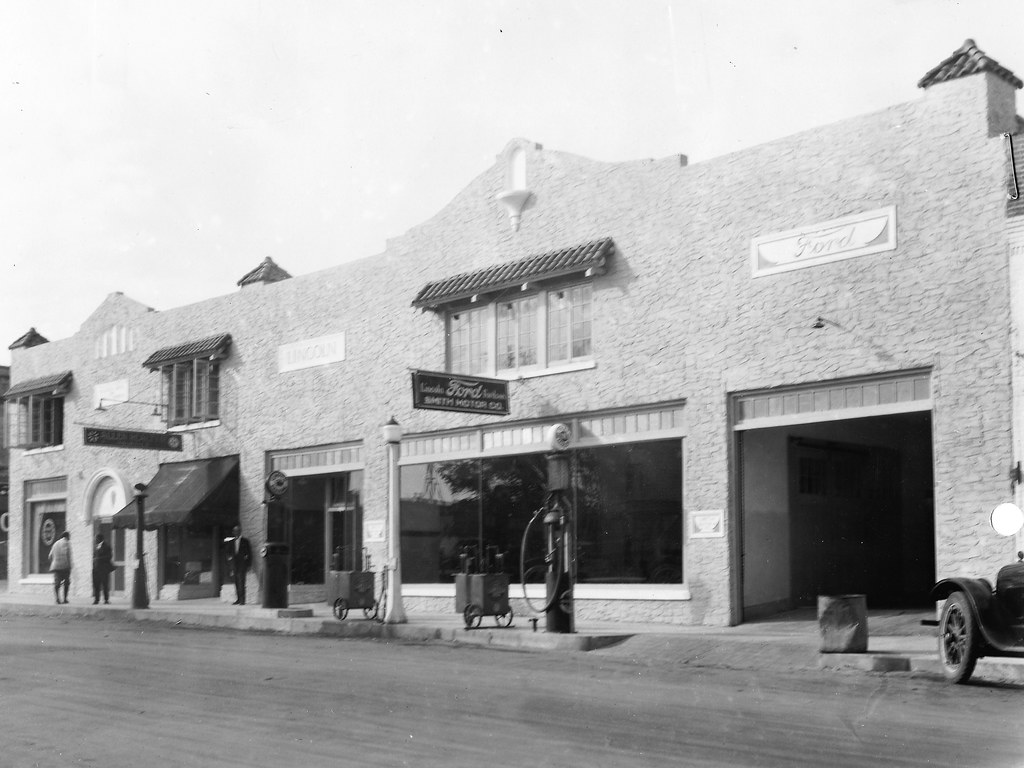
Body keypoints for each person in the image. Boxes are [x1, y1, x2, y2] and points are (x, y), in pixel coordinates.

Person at [227, 525, 252, 605]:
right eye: (235, 531)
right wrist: (229, 561)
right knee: (236, 582)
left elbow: (249, 553)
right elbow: (228, 553)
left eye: (238, 530)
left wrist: (248, 565)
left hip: (242, 564)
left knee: (242, 581)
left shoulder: (245, 541)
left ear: (240, 531)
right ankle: (238, 599)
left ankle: (242, 600)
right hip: (234, 564)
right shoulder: (231, 542)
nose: (236, 532)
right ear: (233, 532)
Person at [49, 531, 72, 604]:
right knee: (66, 583)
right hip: (65, 566)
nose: (69, 538)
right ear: (67, 536)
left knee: (57, 583)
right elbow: (68, 556)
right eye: (69, 537)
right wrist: (70, 566)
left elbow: (50, 556)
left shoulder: (55, 543)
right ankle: (65, 599)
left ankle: (57, 599)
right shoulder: (67, 543)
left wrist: (54, 562)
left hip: (55, 566)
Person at [92, 534, 113, 605]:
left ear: (100, 539)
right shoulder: (96, 547)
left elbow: (109, 557)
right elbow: (94, 557)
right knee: (96, 585)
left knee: (105, 585)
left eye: (96, 539)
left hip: (103, 569)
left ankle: (106, 600)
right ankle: (96, 600)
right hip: (96, 570)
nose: (95, 540)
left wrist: (98, 559)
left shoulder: (107, 547)